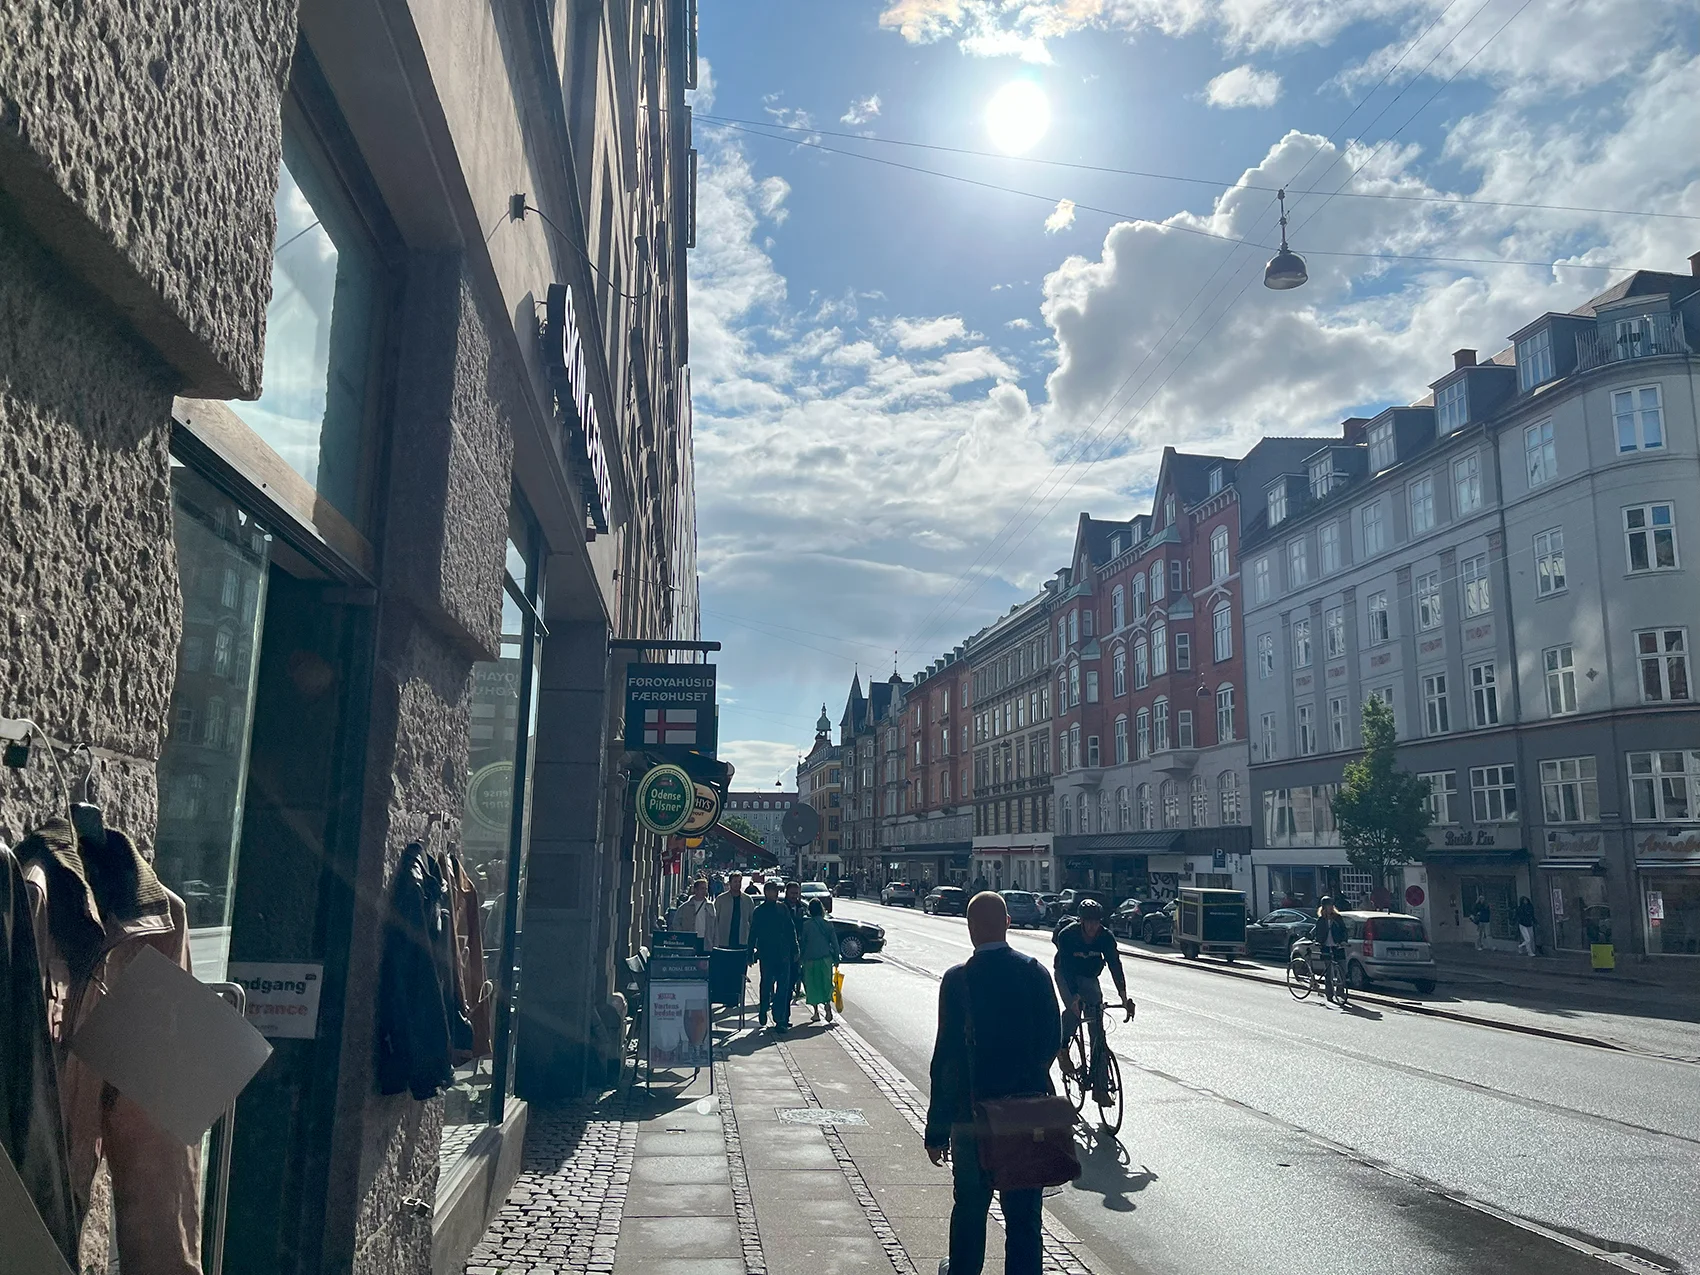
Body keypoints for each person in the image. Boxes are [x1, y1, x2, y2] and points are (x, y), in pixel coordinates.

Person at [925, 892, 1058, 1275]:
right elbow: (1051, 1039)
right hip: (1024, 1116)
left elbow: (945, 1061)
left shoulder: (958, 980)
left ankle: (963, 1270)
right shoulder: (1034, 972)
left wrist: (937, 1130)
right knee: (1024, 1216)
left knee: (969, 1206)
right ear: (1008, 923)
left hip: (971, 1115)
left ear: (970, 930)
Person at [1051, 899, 1134, 1103]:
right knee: (1074, 1010)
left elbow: (1115, 964)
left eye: (1095, 922)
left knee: (1098, 1032)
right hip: (1066, 974)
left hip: (1089, 977)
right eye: (1088, 922)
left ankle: (1101, 1088)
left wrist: (1124, 997)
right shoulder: (1067, 935)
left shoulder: (1105, 937)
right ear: (1081, 921)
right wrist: (1074, 998)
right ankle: (1062, 1048)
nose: (1092, 927)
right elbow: (1068, 969)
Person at [749, 880, 799, 1032]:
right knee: (766, 984)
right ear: (766, 893)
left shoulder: (783, 908)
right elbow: (753, 933)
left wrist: (795, 949)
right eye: (772, 891)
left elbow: (791, 930)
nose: (775, 894)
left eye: (777, 891)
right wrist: (750, 952)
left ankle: (780, 1019)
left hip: (783, 954)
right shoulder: (759, 911)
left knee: (783, 988)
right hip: (766, 954)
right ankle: (763, 1009)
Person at [799, 898, 840, 1025]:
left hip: (810, 959)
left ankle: (816, 1012)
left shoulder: (806, 926)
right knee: (825, 984)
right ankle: (827, 1006)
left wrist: (800, 958)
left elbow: (803, 943)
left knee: (812, 985)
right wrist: (837, 958)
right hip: (825, 958)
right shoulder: (828, 925)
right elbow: (834, 943)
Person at [1314, 896, 1348, 1002]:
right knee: (1328, 972)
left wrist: (1343, 941)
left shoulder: (1337, 918)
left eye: (1331, 906)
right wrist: (1318, 942)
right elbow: (1317, 933)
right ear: (1323, 907)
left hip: (1337, 947)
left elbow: (1344, 931)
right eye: (1328, 906)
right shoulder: (1320, 920)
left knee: (1341, 970)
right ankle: (1329, 993)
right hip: (1326, 947)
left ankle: (1340, 991)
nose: (1330, 908)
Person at [670, 877, 715, 946]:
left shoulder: (710, 906)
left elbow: (715, 925)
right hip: (690, 940)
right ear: (696, 890)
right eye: (702, 888)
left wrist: (715, 943)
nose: (704, 891)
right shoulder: (685, 907)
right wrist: (683, 934)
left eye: (705, 888)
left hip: (706, 941)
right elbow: (676, 923)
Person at [716, 871, 754, 951]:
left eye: (739, 881)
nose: (738, 884)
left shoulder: (747, 900)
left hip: (742, 940)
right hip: (724, 940)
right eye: (735, 882)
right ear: (730, 883)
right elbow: (715, 920)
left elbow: (752, 921)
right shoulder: (721, 899)